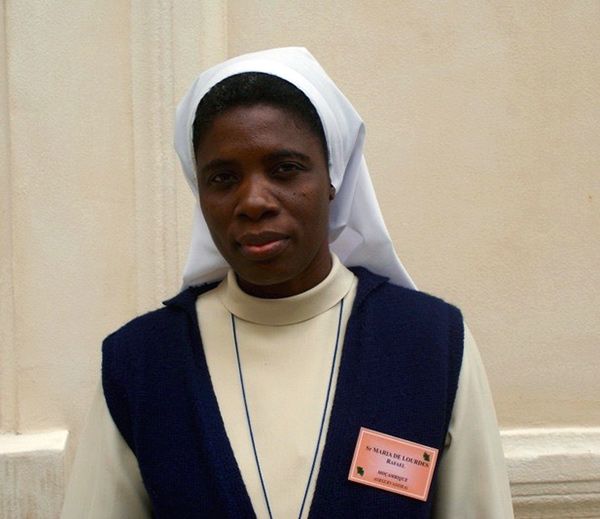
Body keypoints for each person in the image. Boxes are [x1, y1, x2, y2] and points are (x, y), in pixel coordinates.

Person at [61, 47, 514, 518]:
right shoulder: (142, 363)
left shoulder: (429, 345)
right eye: (223, 177)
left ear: (333, 177)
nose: (254, 201)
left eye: (285, 169)